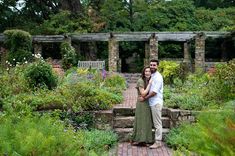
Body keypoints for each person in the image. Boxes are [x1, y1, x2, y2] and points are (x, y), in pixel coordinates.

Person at [139, 59, 164, 149]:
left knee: (157, 124)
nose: (152, 66)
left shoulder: (158, 77)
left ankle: (158, 142)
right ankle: (151, 140)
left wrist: (144, 98)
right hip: (151, 103)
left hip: (156, 103)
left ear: (157, 66)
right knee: (153, 123)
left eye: (154, 65)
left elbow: (154, 92)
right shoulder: (151, 75)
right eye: (151, 65)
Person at [132, 66, 154, 146]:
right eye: (146, 71)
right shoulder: (141, 81)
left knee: (147, 122)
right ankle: (138, 139)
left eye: (149, 71)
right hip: (141, 104)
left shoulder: (148, 80)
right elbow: (143, 93)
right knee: (141, 121)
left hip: (147, 102)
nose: (147, 73)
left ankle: (146, 140)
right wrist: (150, 84)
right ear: (143, 72)